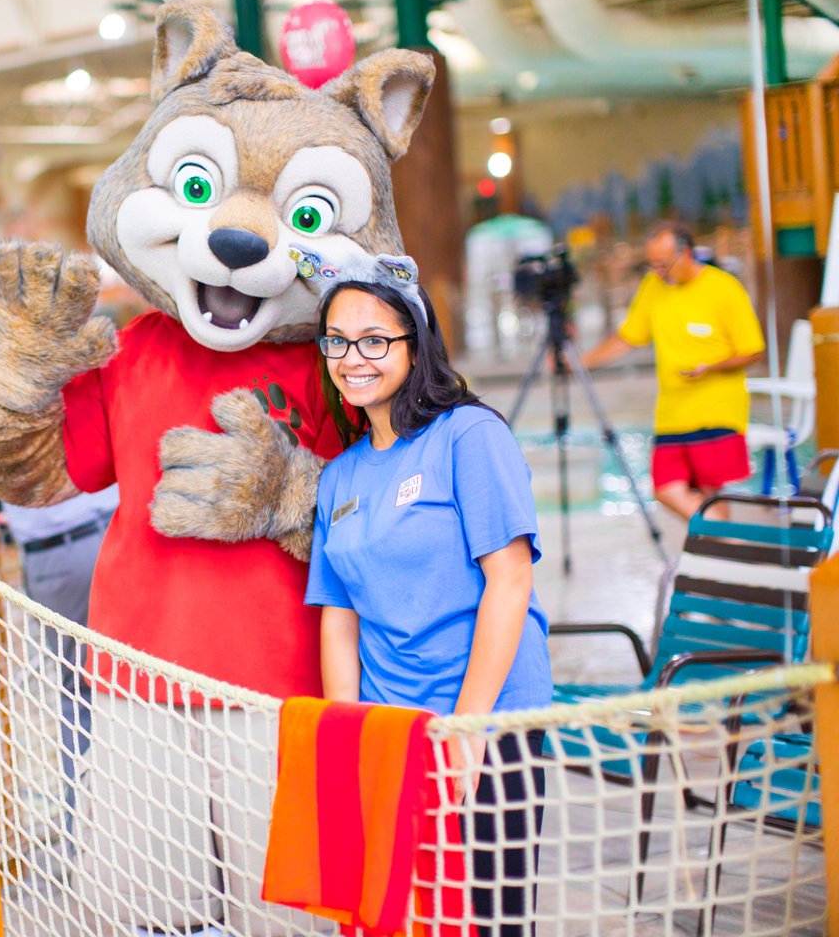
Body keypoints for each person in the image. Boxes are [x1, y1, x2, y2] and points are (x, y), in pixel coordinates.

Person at [307, 266, 552, 937]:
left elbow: (511, 581)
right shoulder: (340, 477)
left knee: (485, 923)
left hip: (485, 726)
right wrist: (346, 733)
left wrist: (471, 728)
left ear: (415, 344)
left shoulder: (469, 436)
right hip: (392, 732)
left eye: (374, 340)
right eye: (337, 342)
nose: (353, 359)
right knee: (399, 916)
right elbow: (340, 616)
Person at [0, 343, 117, 832]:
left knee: (86, 691)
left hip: (93, 539)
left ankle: (86, 831)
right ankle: (89, 826)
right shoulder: (64, 348)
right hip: (74, 540)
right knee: (92, 688)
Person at [582, 224, 765, 520]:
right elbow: (628, 337)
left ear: (687, 254)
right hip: (672, 413)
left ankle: (719, 552)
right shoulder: (653, 287)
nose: (658, 272)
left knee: (710, 491)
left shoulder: (723, 288)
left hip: (715, 409)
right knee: (664, 487)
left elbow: (753, 349)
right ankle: (723, 542)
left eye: (664, 264)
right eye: (653, 264)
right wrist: (582, 361)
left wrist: (711, 367)